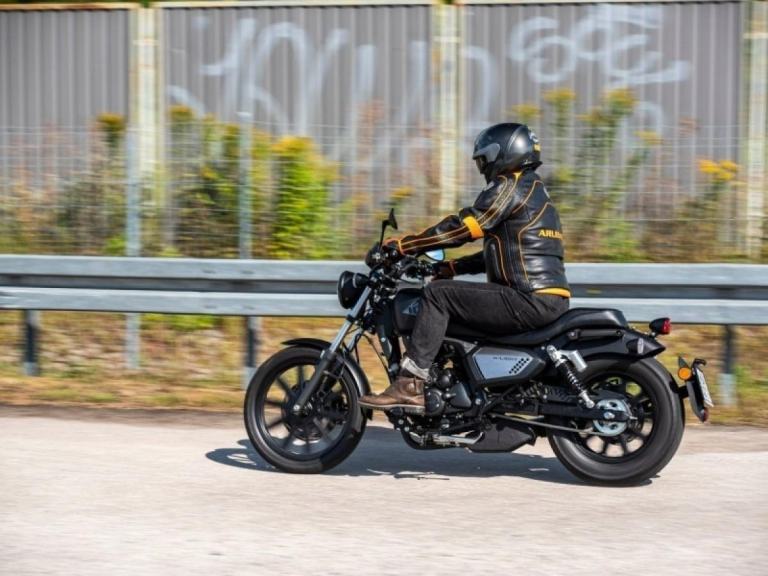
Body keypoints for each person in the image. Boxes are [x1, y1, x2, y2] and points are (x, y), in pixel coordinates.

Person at [359, 123, 571, 412]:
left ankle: (410, 384)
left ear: (504, 153)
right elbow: (504, 252)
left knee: (438, 295)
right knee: (449, 291)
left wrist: (406, 246)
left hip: (525, 298)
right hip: (545, 298)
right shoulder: (536, 193)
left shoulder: (510, 185)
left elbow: (465, 227)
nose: (482, 167)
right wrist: (451, 268)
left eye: (484, 159)